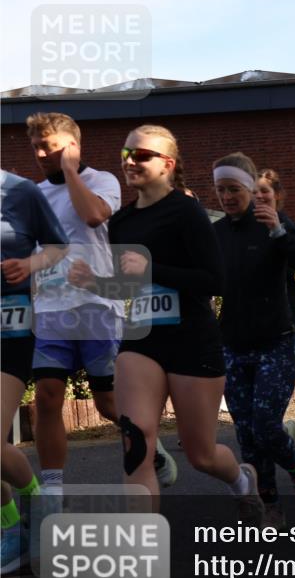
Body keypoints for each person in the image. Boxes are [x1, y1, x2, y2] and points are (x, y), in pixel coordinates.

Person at [67, 125, 264, 515]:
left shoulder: (186, 210)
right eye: (126, 154)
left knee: (201, 454)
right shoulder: (121, 222)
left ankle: (241, 479)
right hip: (141, 338)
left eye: (142, 155)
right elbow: (130, 285)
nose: (131, 162)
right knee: (136, 444)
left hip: (191, 340)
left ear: (167, 164)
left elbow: (214, 281)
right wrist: (95, 282)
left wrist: (152, 268)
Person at [24, 113, 178, 496]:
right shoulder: (35, 194)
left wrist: (71, 173)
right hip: (51, 309)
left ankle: (151, 448)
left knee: (109, 403)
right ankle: (54, 490)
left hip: (97, 305)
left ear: (73, 147)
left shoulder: (102, 181)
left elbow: (93, 216)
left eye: (50, 146)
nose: (42, 153)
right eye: (37, 147)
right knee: (46, 396)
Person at [213, 153, 295, 529]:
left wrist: (279, 231)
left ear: (249, 188)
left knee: (265, 425)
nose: (227, 196)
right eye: (220, 190)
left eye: (234, 189)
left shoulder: (275, 224)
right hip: (233, 342)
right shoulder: (218, 233)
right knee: (245, 432)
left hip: (276, 338)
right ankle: (270, 503)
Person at [1, 170, 69, 574]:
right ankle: (12, 529)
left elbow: (58, 247)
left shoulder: (21, 191)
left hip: (10, 328)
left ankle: (40, 505)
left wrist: (29, 264)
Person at [256, 169, 295, 353]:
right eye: (253, 191)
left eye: (264, 191)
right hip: (242, 329)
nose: (258, 196)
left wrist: (279, 233)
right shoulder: (237, 228)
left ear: (277, 194)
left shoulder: (288, 227)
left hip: (281, 327)